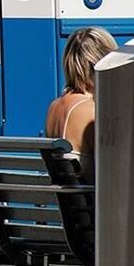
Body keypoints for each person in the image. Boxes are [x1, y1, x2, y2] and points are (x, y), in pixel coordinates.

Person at [45, 27, 117, 181]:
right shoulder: (91, 111)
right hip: (93, 203)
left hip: (70, 202)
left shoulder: (54, 107)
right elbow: (115, 169)